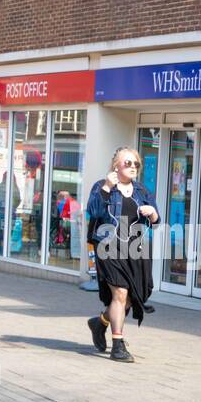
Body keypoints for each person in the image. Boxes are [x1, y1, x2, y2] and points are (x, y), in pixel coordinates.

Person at [84, 147, 159, 363]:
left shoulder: (142, 191)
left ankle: (100, 323)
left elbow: (156, 220)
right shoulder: (102, 186)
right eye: (128, 163)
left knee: (132, 297)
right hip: (107, 246)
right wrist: (107, 187)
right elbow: (94, 211)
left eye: (136, 163)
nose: (133, 167)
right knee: (120, 293)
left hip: (135, 248)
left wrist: (152, 213)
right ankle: (118, 345)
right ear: (116, 165)